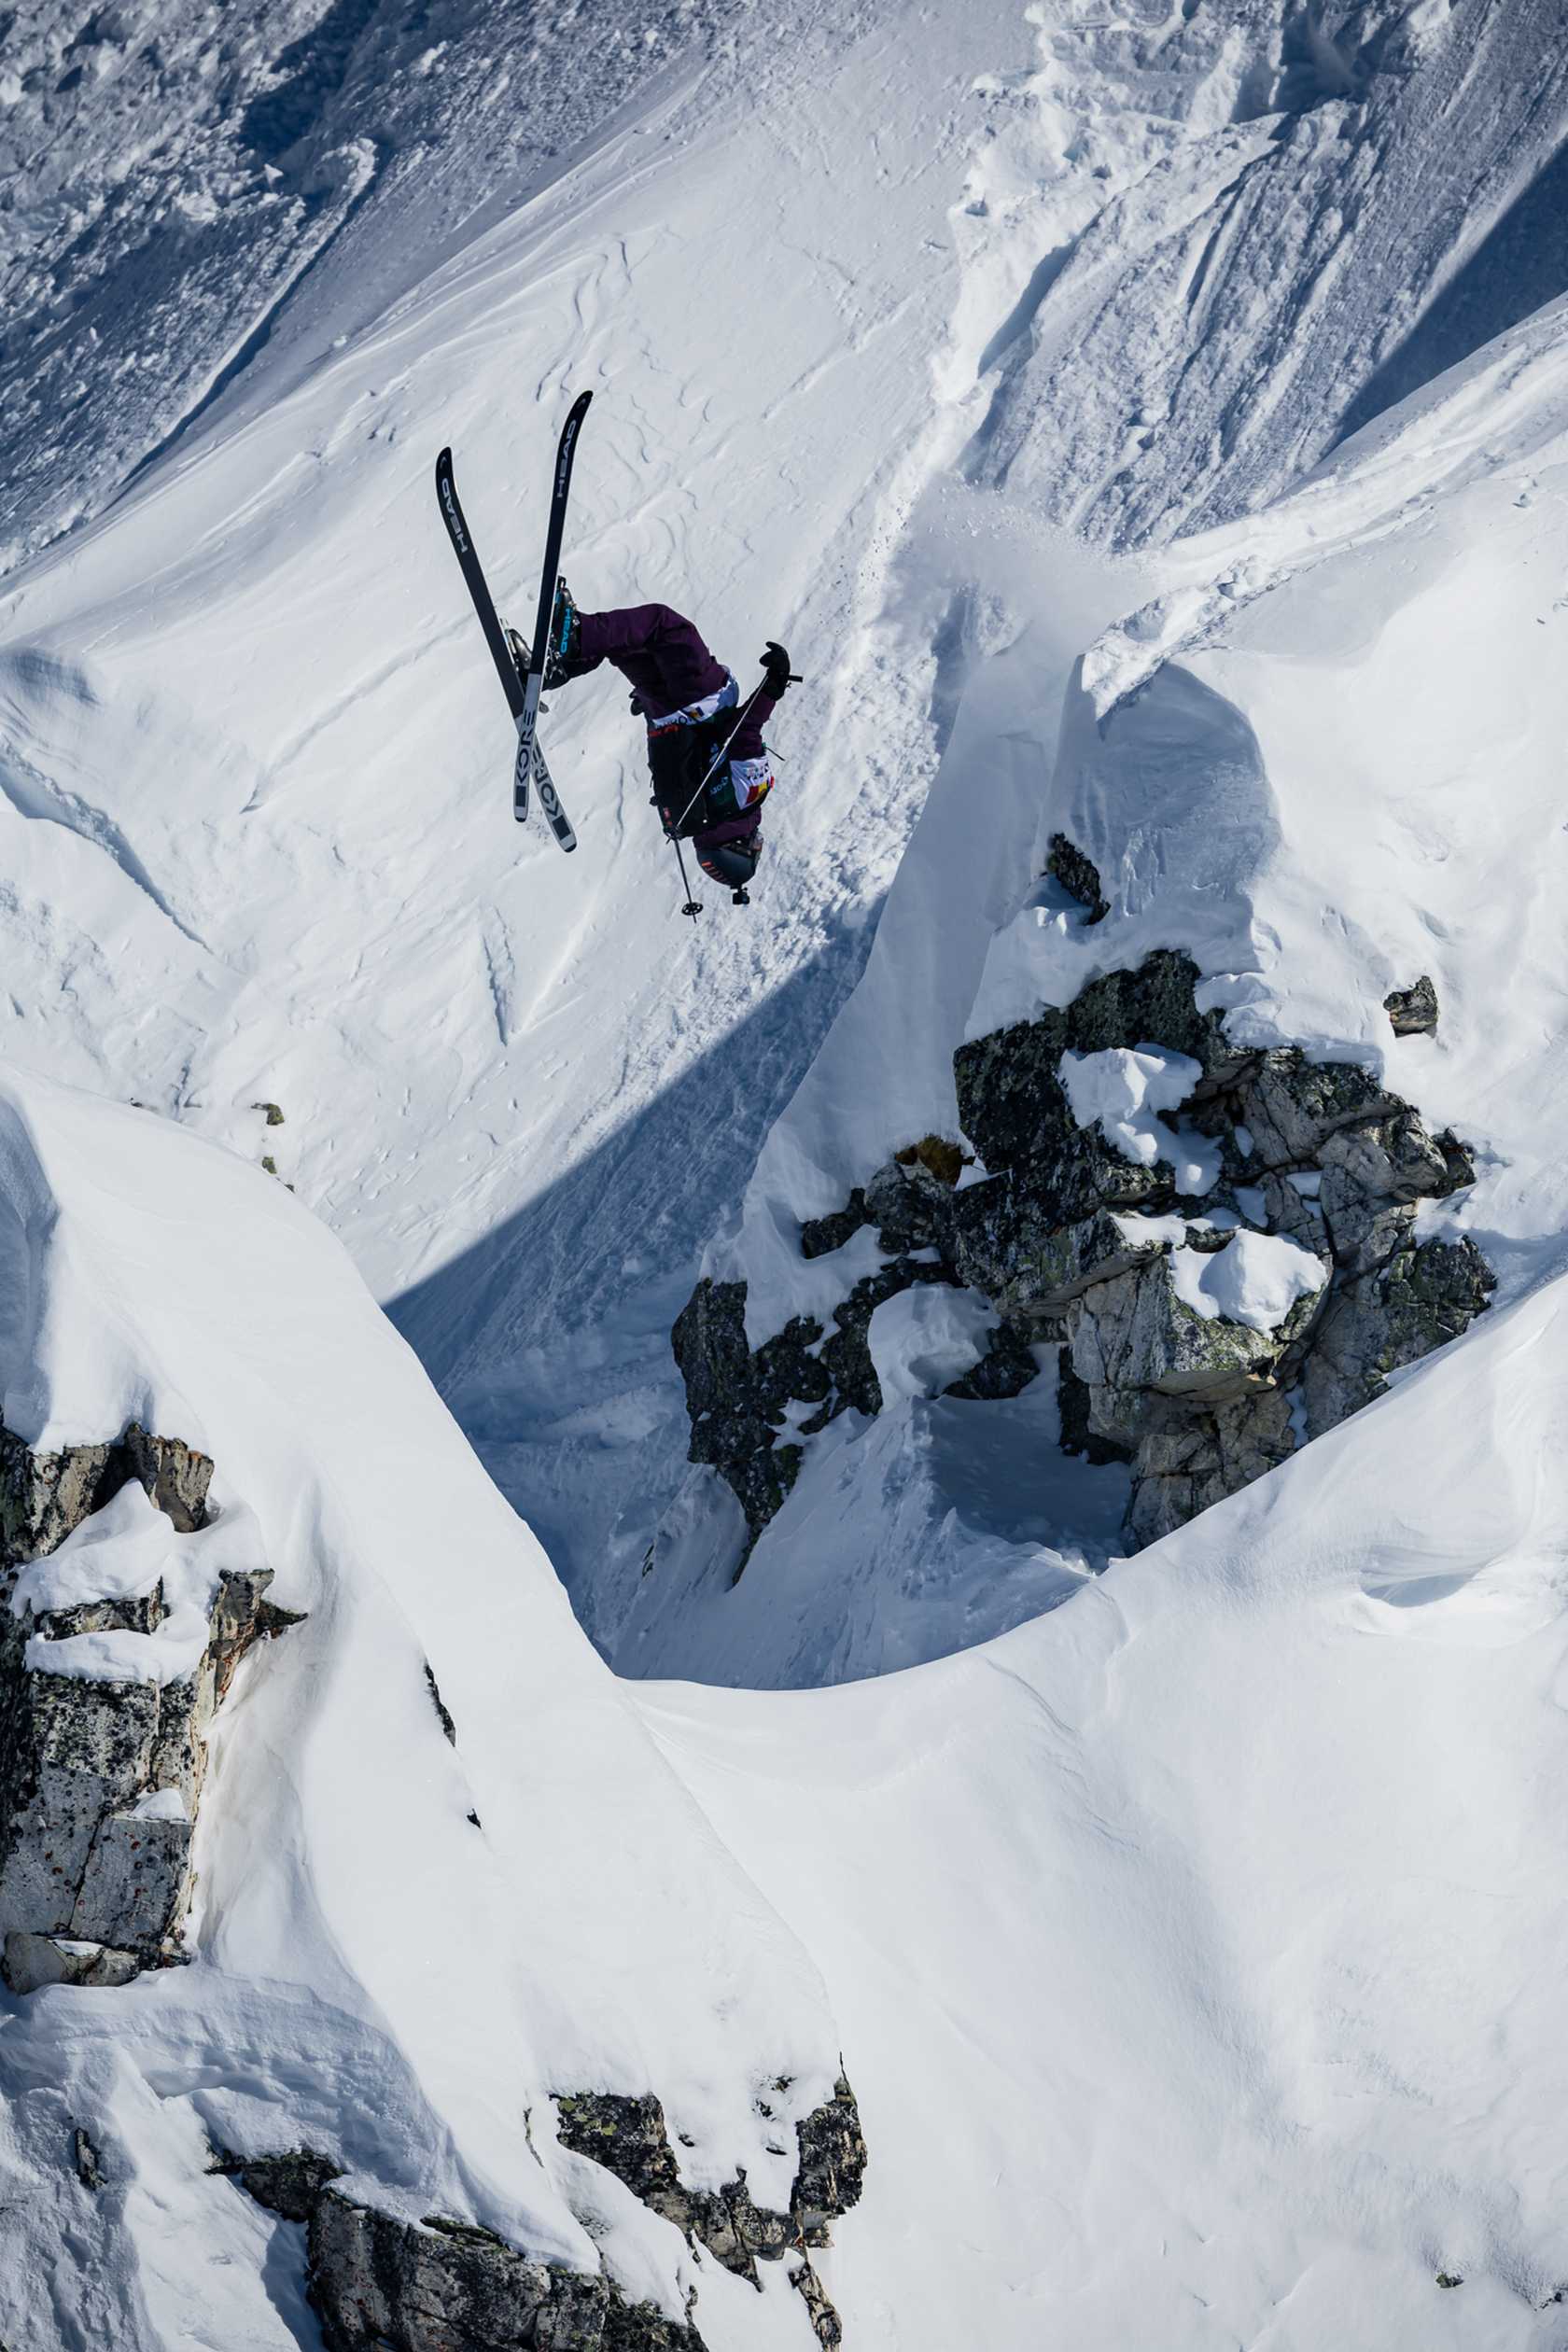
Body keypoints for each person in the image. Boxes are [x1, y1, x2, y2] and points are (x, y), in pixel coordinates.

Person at [539, 586, 795, 895]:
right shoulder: (684, 820)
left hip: (704, 699)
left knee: (663, 625)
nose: (757, 837)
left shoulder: (749, 794)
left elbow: (744, 730)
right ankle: (558, 669)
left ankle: (575, 638)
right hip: (663, 714)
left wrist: (775, 684)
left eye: (754, 845)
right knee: (625, 644)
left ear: (737, 848)